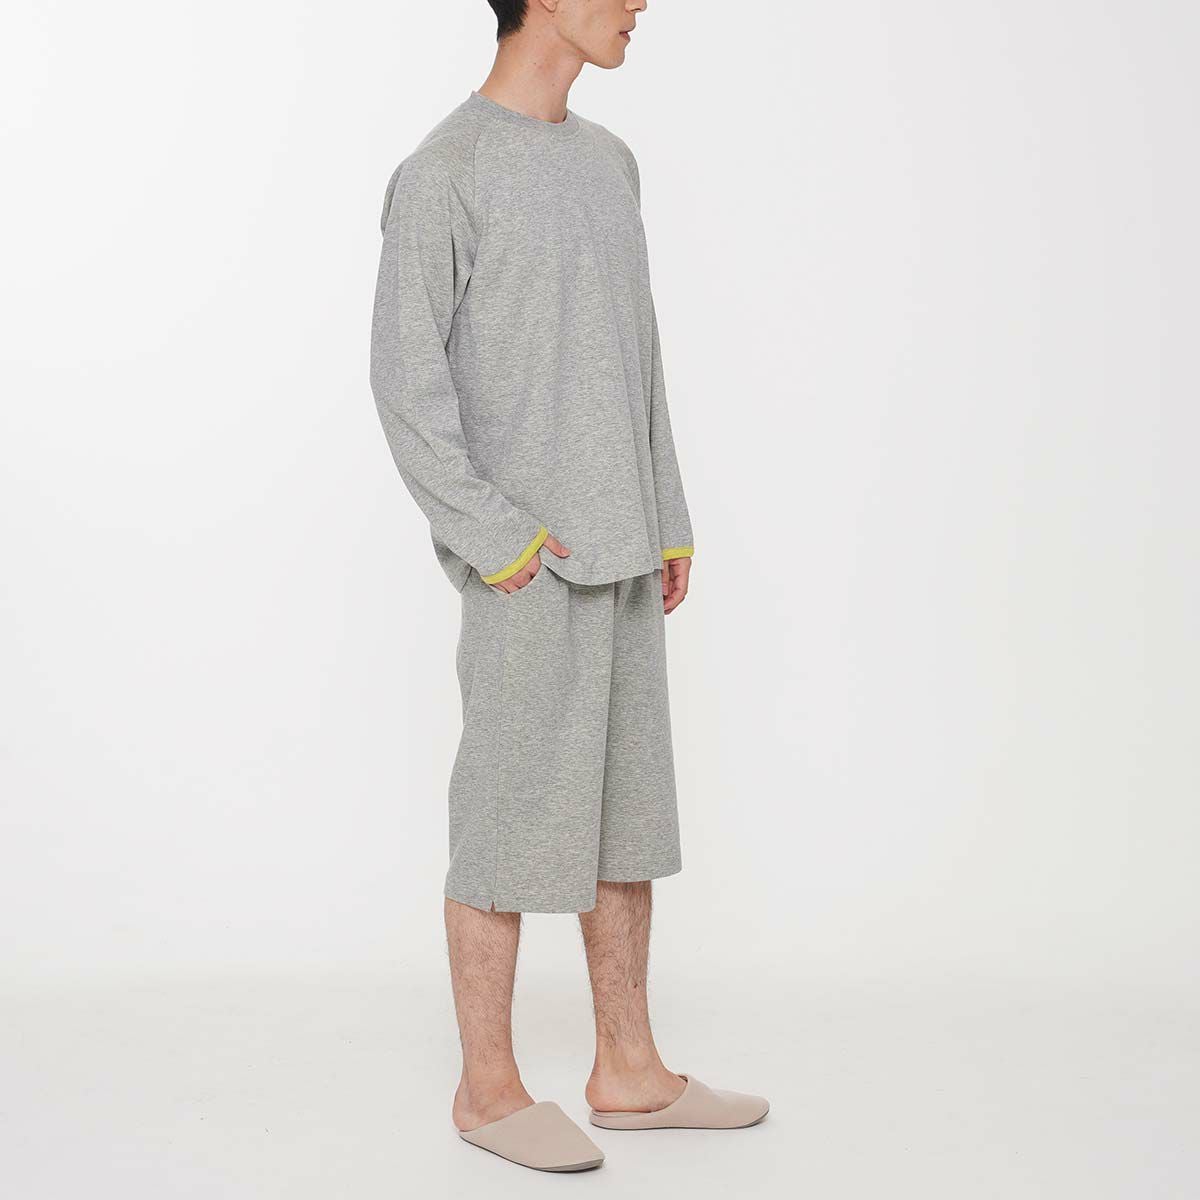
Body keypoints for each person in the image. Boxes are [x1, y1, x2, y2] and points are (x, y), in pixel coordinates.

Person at [369, 0, 767, 1172]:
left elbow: (639, 356)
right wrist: (496, 539)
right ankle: (488, 1090)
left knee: (626, 821)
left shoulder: (610, 164)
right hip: (527, 569)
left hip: (627, 546)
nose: (643, 3)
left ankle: (629, 1071)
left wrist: (667, 512)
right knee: (505, 822)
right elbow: (404, 384)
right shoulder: (444, 173)